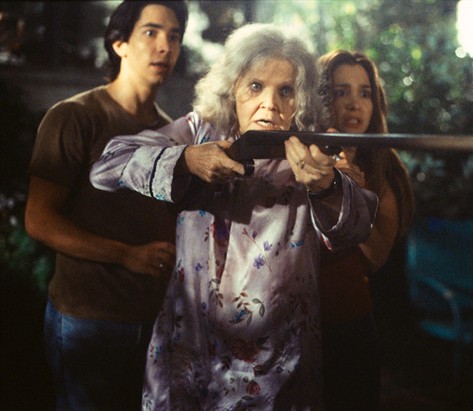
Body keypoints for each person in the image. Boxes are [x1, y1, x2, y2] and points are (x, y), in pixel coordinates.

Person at [89, 23, 377, 410]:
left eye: (286, 90)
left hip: (275, 367)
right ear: (233, 87)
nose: (270, 104)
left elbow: (356, 228)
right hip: (188, 354)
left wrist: (326, 186)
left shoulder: (314, 149)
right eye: (256, 86)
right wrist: (186, 159)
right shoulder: (198, 131)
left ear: (301, 99)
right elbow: (106, 167)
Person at [24, 1, 188, 409]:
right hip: (86, 319)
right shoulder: (75, 116)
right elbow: (39, 219)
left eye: (174, 36)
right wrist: (126, 255)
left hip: (151, 323)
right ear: (119, 43)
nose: (165, 46)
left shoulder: (171, 132)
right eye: (151, 32)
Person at [316, 50, 415, 410]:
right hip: (288, 323)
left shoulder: (385, 171)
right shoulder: (296, 158)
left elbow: (375, 256)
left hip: (347, 324)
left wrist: (344, 194)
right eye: (341, 92)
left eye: (365, 93)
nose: (354, 104)